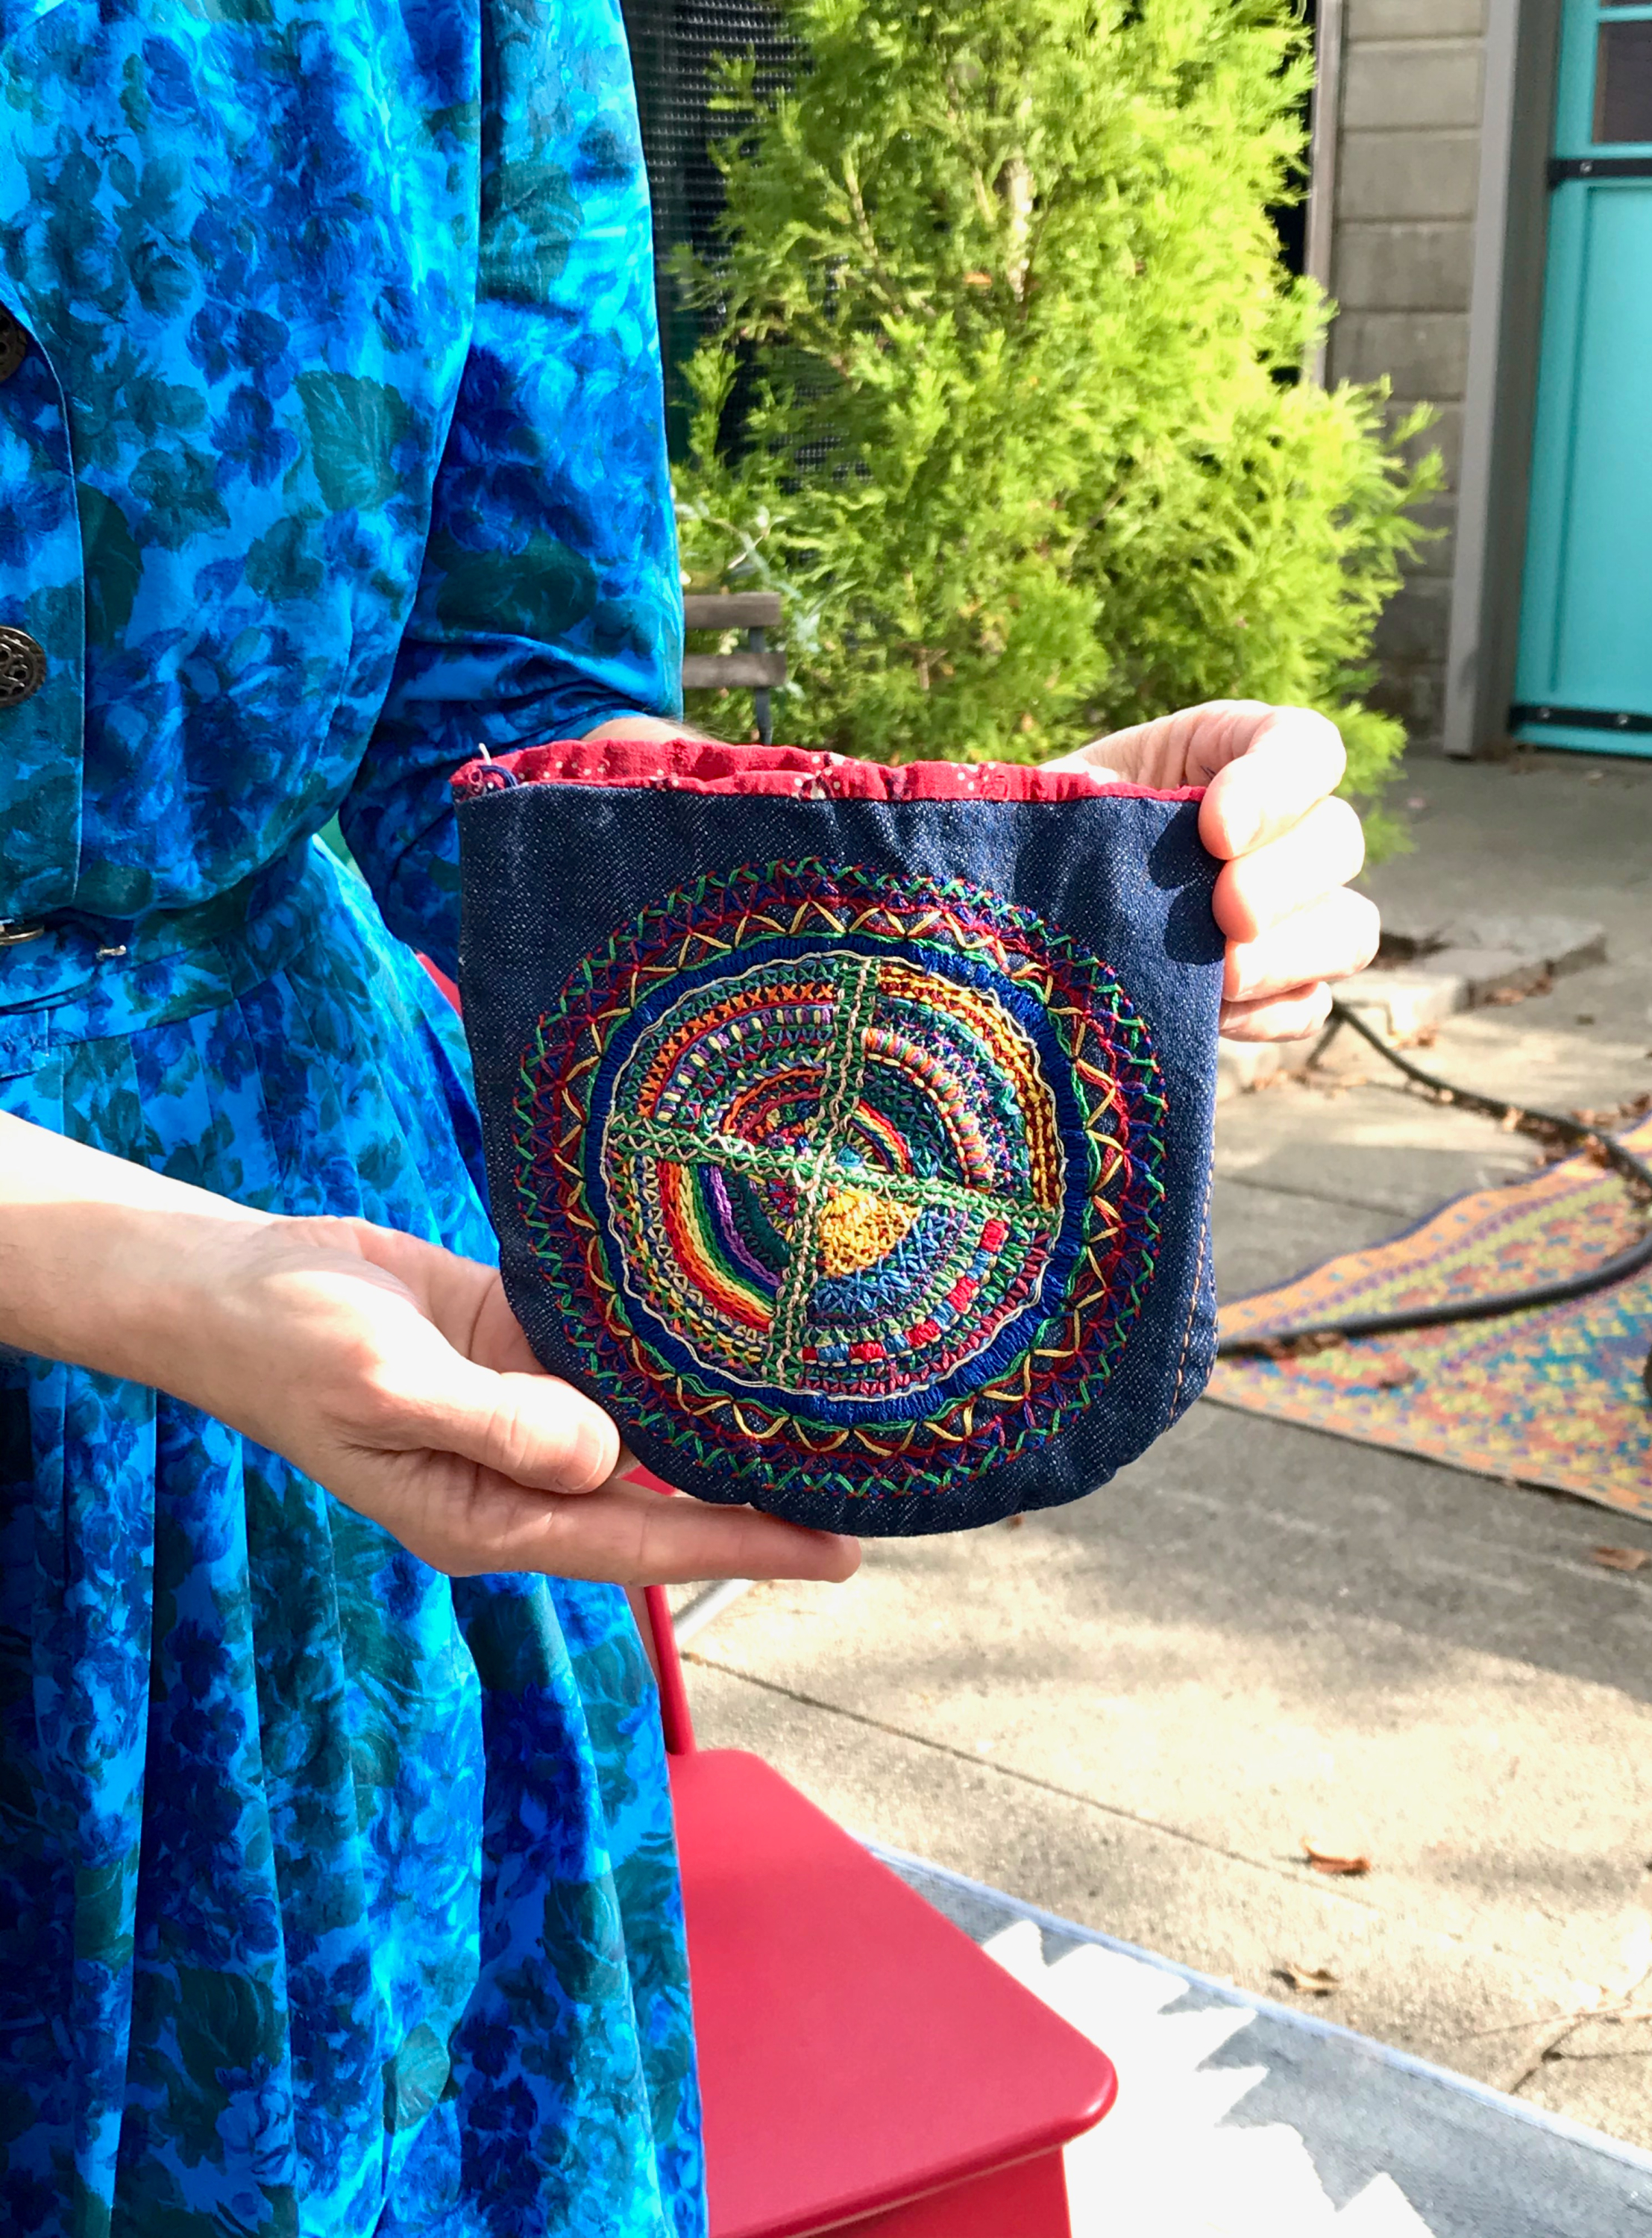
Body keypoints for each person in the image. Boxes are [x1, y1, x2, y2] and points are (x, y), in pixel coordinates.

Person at [0, 3, 1378, 2232]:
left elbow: (501, 716)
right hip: (266, 1289)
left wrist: (961, 915)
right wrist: (138, 1271)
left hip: (315, 1346)